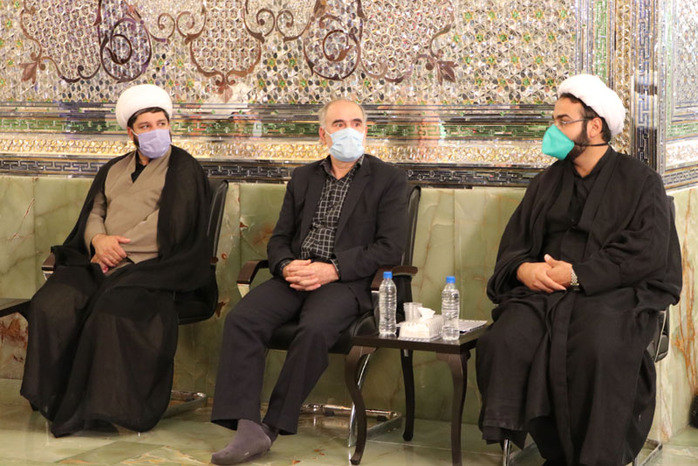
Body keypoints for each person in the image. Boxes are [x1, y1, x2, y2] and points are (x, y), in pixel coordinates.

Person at [476, 74, 682, 466]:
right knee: (504, 340)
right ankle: (550, 449)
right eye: (553, 120)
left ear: (595, 126)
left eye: (563, 121)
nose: (554, 130)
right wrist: (525, 271)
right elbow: (515, 247)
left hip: (612, 295)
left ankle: (596, 457)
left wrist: (578, 275)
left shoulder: (641, 183)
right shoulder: (545, 182)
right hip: (544, 296)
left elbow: (647, 252)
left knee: (598, 346)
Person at [210, 99, 407, 465]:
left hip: (346, 282)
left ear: (366, 130)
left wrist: (333, 269)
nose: (349, 130)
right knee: (242, 319)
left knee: (314, 328)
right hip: (297, 275)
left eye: (357, 123)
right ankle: (246, 426)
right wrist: (286, 266)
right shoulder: (303, 178)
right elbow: (280, 239)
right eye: (339, 124)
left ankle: (271, 426)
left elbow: (389, 248)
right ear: (323, 134)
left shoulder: (388, 179)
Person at [20, 84, 216, 437]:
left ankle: (102, 408)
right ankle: (56, 397)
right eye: (146, 126)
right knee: (52, 304)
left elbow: (171, 223)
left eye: (161, 123)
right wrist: (98, 240)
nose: (155, 131)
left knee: (109, 311)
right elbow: (95, 210)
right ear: (131, 132)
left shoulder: (183, 167)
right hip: (100, 261)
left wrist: (118, 249)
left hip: (153, 269)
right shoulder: (114, 167)